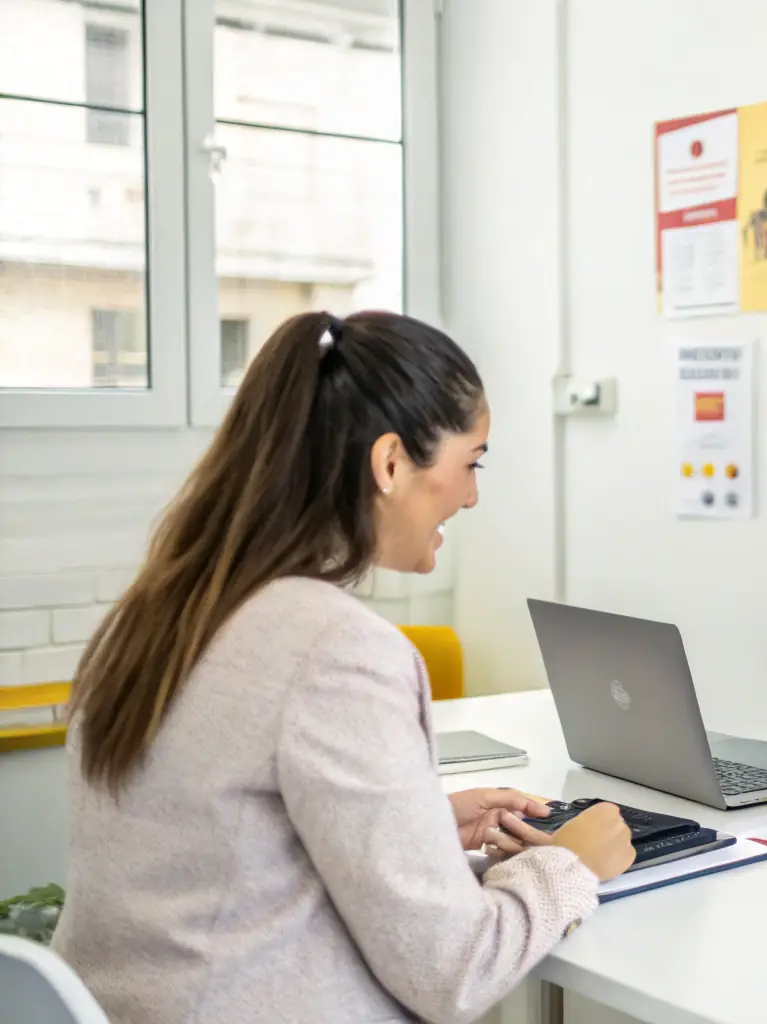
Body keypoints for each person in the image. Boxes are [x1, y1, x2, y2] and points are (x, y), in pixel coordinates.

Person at [51, 311, 636, 1024]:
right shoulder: (336, 650)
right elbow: (455, 972)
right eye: (471, 464)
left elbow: (215, 850)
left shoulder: (160, 613)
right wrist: (568, 865)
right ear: (389, 464)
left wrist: (417, 828)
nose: (471, 496)